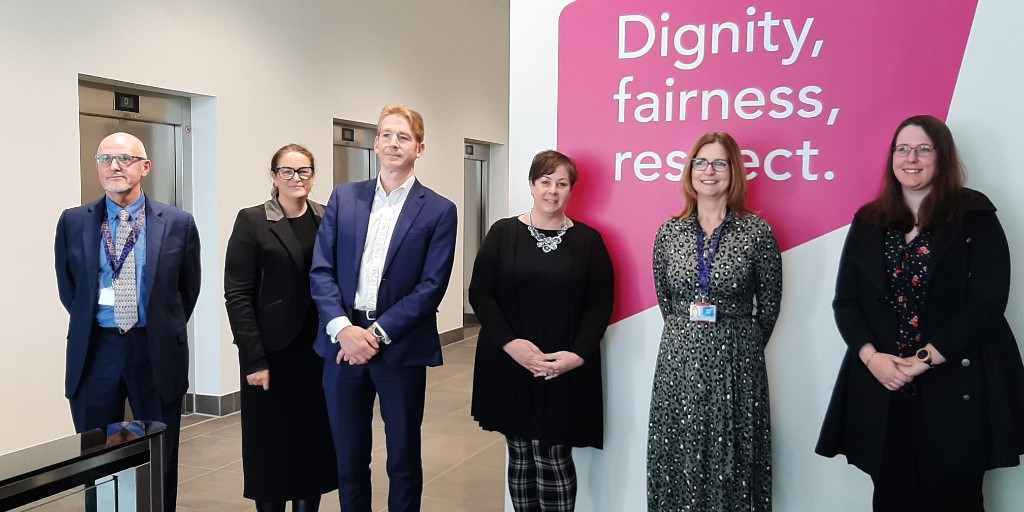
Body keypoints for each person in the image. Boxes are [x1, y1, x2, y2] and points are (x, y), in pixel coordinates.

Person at [816, 115, 1024, 511]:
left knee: (956, 499)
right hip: (885, 384)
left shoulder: (974, 214)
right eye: (903, 149)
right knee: (892, 497)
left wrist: (923, 360)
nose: (911, 158)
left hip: (956, 385)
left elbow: (987, 303)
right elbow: (847, 302)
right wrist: (871, 358)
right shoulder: (869, 220)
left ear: (942, 157)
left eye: (923, 149)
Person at [310, 104, 457, 512]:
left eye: (404, 137)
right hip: (342, 345)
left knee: (403, 459)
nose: (394, 143)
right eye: (387, 135)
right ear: (375, 144)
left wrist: (375, 334)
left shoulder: (439, 209)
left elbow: (431, 286)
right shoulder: (344, 197)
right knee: (349, 458)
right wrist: (343, 329)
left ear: (419, 148)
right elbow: (321, 270)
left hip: (400, 346)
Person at [55, 132, 201, 511]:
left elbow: (186, 291)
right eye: (105, 159)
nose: (114, 166)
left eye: (125, 158)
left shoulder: (178, 223)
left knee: (160, 453)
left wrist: (159, 325)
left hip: (154, 349)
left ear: (145, 167)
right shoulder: (73, 221)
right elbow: (71, 289)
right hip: (96, 350)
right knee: (95, 454)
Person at [469, 150, 614, 512]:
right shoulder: (503, 233)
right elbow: (481, 293)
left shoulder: (589, 241)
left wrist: (576, 355)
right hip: (510, 361)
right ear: (532, 185)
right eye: (545, 181)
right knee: (520, 453)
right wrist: (510, 344)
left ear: (571, 190)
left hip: (562, 364)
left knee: (554, 456)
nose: (552, 190)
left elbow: (600, 305)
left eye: (561, 183)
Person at [647, 131, 783, 511]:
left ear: (734, 171)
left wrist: (738, 343)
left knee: (732, 457)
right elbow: (666, 300)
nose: (709, 171)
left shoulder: (756, 232)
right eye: (701, 162)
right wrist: (690, 336)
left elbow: (769, 305)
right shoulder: (668, 232)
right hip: (679, 362)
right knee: (679, 451)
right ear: (690, 171)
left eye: (720, 163)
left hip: (737, 363)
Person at [224, 144, 338, 511]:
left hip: (317, 352)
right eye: (286, 171)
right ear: (274, 176)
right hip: (271, 354)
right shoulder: (253, 220)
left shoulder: (326, 217)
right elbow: (237, 294)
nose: (295, 178)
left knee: (312, 445)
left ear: (313, 176)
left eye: (303, 171)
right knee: (270, 449)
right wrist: (253, 358)